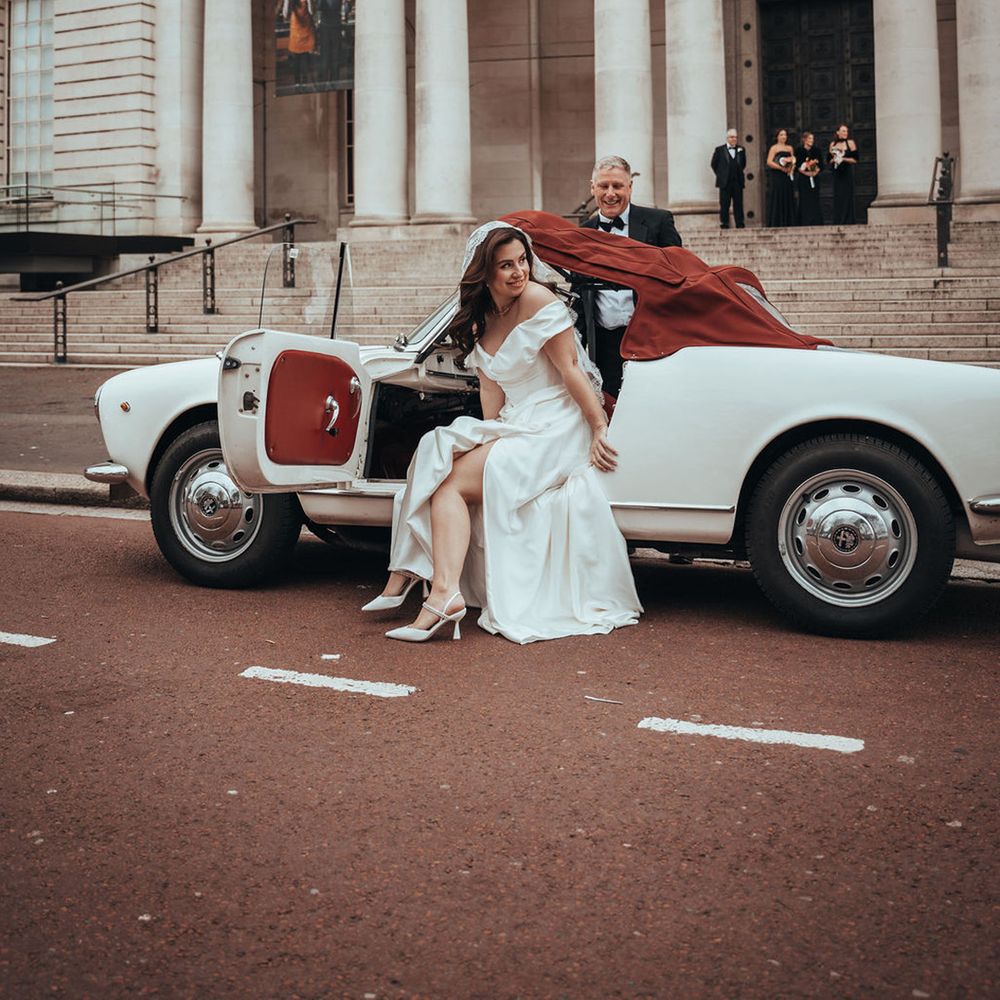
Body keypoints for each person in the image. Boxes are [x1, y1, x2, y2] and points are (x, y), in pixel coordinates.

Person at [364, 222, 642, 644]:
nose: (519, 272)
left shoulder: (536, 299)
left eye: (523, 261)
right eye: (506, 265)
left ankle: (430, 587)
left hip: (556, 425)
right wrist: (488, 438)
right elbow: (491, 391)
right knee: (437, 449)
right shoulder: (480, 321)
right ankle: (427, 585)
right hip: (517, 422)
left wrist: (598, 427)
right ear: (485, 273)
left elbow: (570, 368)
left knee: (448, 485)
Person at [574, 155, 682, 399]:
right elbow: (579, 295)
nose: (610, 193)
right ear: (592, 188)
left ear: (630, 187)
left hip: (651, 339)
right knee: (612, 407)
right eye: (603, 186)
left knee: (654, 401)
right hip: (604, 344)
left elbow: (679, 278)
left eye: (618, 186)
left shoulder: (659, 222)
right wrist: (576, 352)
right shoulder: (582, 234)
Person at [710, 129, 747, 229]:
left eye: (735, 137)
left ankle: (739, 223)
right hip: (724, 182)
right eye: (732, 137)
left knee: (738, 203)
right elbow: (714, 164)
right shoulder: (719, 150)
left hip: (737, 181)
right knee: (724, 203)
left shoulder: (741, 149)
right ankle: (724, 223)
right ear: (727, 138)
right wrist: (721, 174)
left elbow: (743, 164)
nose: (734, 139)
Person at [828, 123, 859, 224]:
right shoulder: (832, 144)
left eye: (846, 131)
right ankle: (838, 220)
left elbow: (855, 160)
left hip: (847, 173)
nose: (845, 133)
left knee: (847, 195)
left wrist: (843, 159)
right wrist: (834, 159)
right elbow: (828, 160)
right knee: (838, 195)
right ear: (838, 132)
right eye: (843, 131)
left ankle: (849, 220)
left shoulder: (851, 143)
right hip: (837, 173)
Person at [765, 128, 797, 227]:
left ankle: (789, 221)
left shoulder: (789, 148)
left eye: (785, 135)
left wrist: (791, 168)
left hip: (787, 175)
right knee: (778, 195)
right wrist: (781, 168)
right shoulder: (774, 148)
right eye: (781, 135)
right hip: (778, 175)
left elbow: (793, 160)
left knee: (788, 195)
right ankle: (777, 221)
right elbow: (769, 162)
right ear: (777, 136)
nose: (784, 137)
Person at [795, 130, 824, 226]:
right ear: (804, 139)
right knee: (804, 199)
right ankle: (805, 220)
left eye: (812, 138)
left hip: (815, 178)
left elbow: (821, 165)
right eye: (809, 138)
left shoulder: (816, 150)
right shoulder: (798, 151)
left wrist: (815, 172)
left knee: (815, 198)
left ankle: (816, 221)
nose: (811, 140)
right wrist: (806, 173)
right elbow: (797, 166)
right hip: (803, 179)